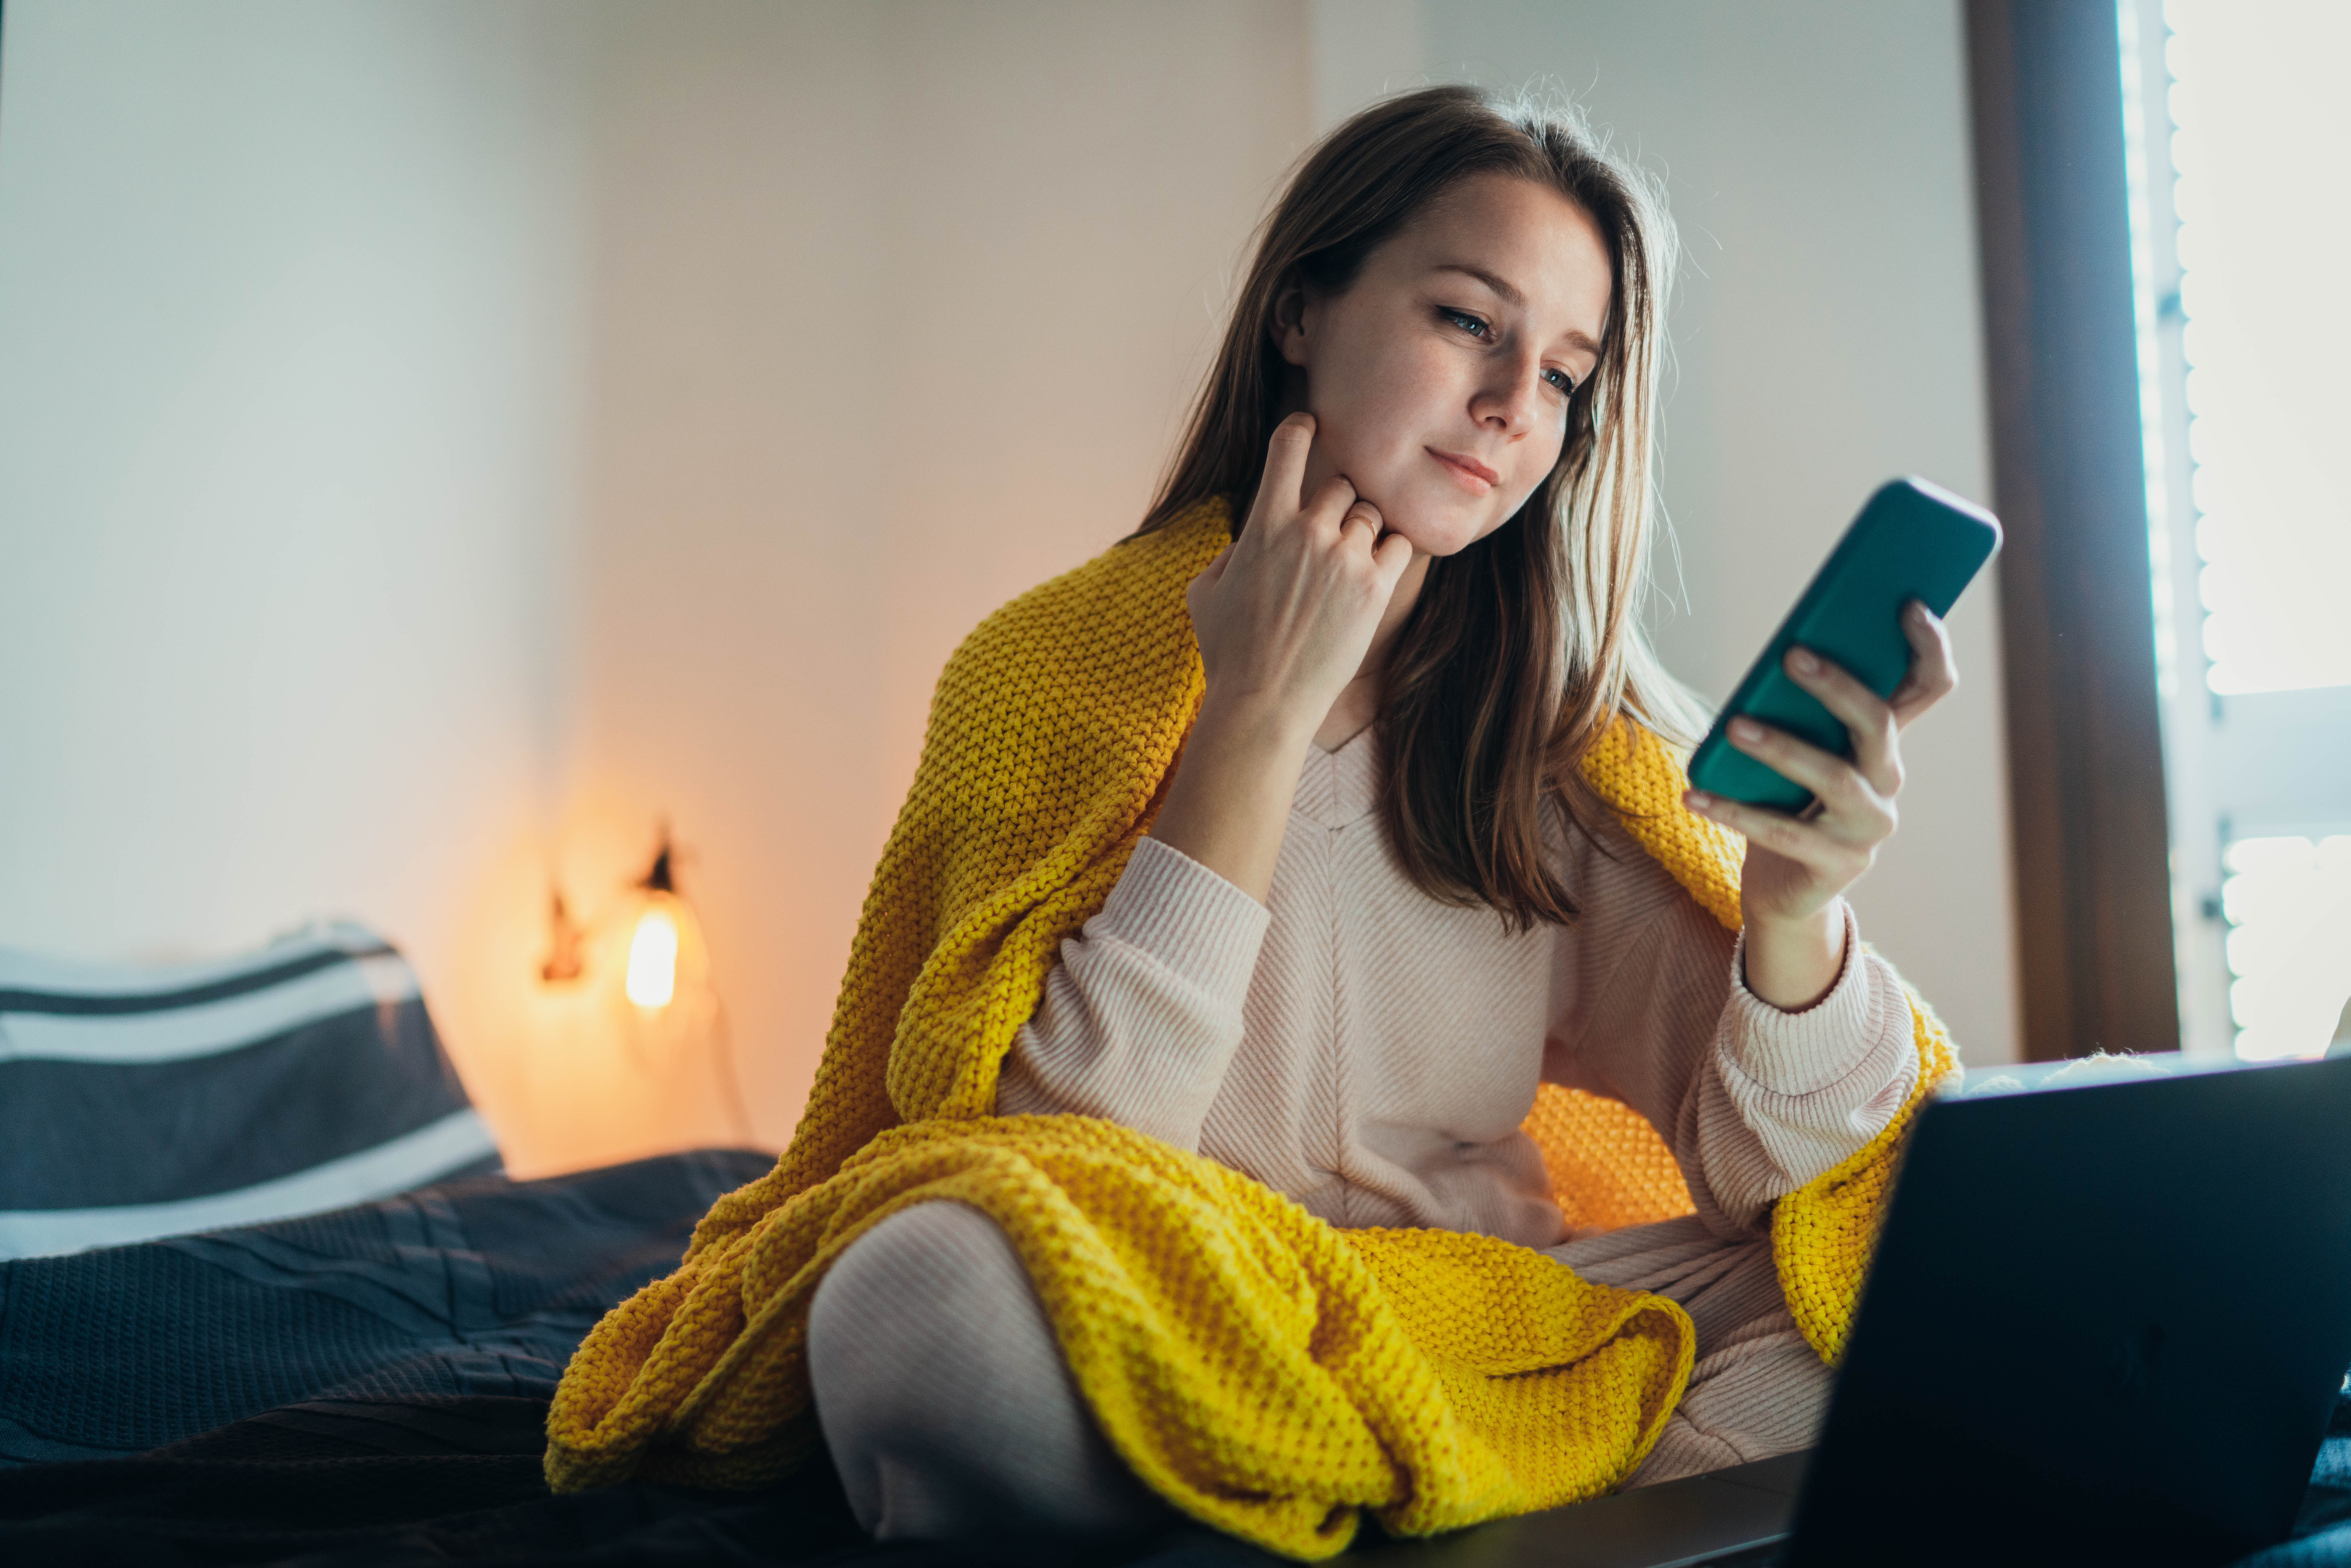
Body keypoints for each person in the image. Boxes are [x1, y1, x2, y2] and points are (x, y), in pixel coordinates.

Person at [545, 84, 1960, 1549]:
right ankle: (1400, 1499)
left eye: (1563, 375)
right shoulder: (1046, 671)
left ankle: (1431, 1523)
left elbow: (1781, 1171)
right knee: (915, 1294)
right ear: (1301, 310)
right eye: (1469, 323)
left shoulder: (1554, 729)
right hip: (1184, 1300)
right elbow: (1044, 1159)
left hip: (1465, 1312)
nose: (1508, 408)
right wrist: (1255, 721)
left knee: (1895, 1291)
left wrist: (1791, 915)